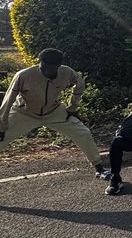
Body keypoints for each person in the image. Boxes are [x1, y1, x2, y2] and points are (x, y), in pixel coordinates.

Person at [0, 47, 109, 179]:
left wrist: (72, 108)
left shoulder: (67, 72)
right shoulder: (23, 75)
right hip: (24, 112)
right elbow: (8, 100)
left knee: (83, 132)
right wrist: (2, 124)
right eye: (42, 67)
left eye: (49, 68)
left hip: (54, 111)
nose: (45, 71)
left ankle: (99, 168)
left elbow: (79, 84)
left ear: (58, 66)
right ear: (40, 62)